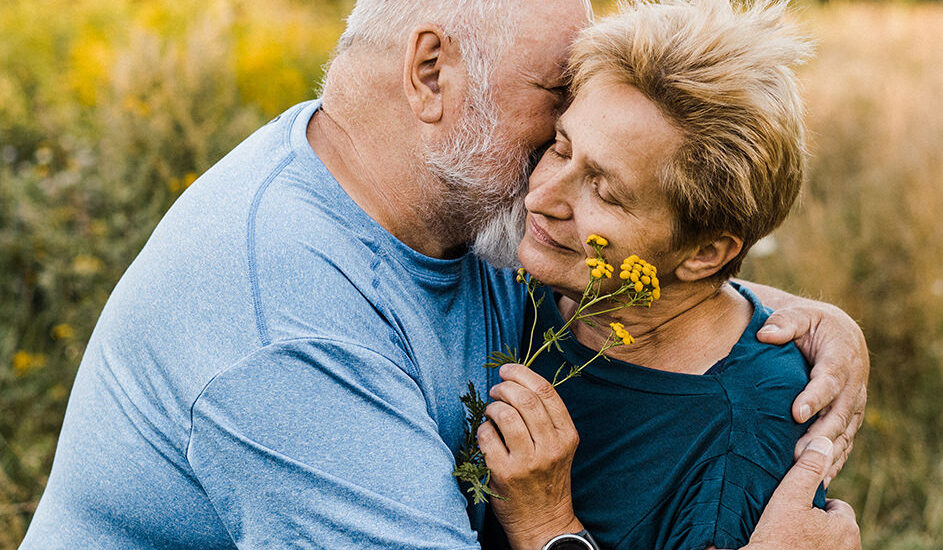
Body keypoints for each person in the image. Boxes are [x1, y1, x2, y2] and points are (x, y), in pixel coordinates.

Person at [20, 1, 866, 548]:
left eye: (600, 179)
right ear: (429, 72)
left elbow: (670, 291)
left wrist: (801, 319)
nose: (548, 180)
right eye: (555, 103)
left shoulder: (437, 201)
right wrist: (550, 533)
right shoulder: (290, 329)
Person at [475, 2, 860, 549]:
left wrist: (548, 528)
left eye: (605, 191)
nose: (540, 198)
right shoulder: (534, 274)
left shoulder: (740, 440)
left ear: (704, 253)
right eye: (560, 148)